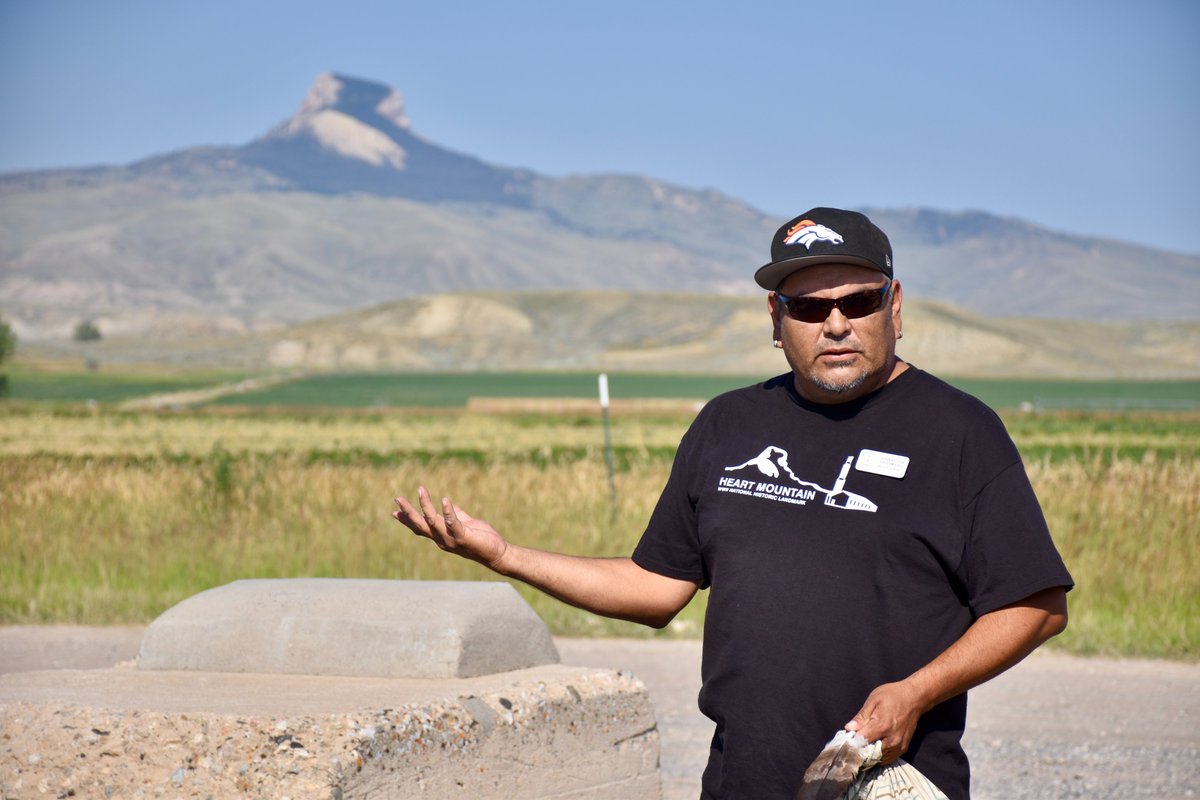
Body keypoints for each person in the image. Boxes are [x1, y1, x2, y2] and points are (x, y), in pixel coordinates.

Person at [393, 206, 1073, 800]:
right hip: (740, 782)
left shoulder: (960, 432)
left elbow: (1034, 606)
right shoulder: (728, 425)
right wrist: (506, 555)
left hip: (886, 782)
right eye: (808, 308)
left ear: (895, 306)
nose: (834, 323)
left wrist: (912, 695)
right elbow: (657, 587)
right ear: (776, 322)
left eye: (857, 303)